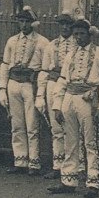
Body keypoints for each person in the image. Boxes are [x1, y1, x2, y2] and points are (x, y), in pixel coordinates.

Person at [47, 17, 99, 198]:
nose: (78, 37)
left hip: (88, 99)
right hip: (70, 97)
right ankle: (68, 180)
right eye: (76, 34)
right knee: (70, 140)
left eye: (82, 34)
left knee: (91, 142)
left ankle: (93, 182)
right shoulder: (70, 54)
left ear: (89, 34)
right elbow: (62, 80)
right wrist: (57, 106)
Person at [0, 6, 46, 175]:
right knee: (16, 123)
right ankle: (20, 160)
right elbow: (5, 65)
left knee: (32, 124)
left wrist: (40, 92)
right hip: (13, 83)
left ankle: (34, 162)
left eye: (27, 22)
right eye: (21, 21)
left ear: (33, 23)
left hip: (30, 84)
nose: (24, 25)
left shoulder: (42, 42)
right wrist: (2, 89)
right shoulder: (12, 41)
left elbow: (44, 69)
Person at [36, 11, 76, 179]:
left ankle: (74, 166)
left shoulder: (77, 45)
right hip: (53, 84)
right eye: (62, 24)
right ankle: (57, 165)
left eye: (68, 24)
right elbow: (44, 71)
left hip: (71, 86)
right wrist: (39, 95)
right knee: (56, 127)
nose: (65, 27)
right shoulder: (51, 45)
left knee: (72, 127)